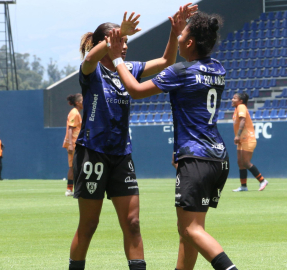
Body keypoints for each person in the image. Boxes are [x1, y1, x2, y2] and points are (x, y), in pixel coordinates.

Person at [106, 11, 239, 270]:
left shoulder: (181, 71)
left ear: (189, 43)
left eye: (183, 35)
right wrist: (175, 32)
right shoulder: (218, 68)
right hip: (218, 157)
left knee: (190, 229)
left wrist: (116, 60)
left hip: (196, 158)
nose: (180, 37)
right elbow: (184, 58)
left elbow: (135, 90)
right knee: (189, 229)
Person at [68, 5, 196, 270]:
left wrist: (174, 34)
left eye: (126, 41)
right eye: (119, 41)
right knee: (89, 225)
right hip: (92, 152)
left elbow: (165, 62)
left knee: (133, 223)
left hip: (122, 155)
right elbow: (90, 58)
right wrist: (110, 40)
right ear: (105, 42)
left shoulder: (129, 68)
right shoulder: (92, 72)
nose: (124, 46)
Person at [231, 92, 268, 192]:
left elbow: (242, 120)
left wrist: (238, 135)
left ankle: (262, 180)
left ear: (240, 101)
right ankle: (243, 186)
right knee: (240, 163)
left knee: (246, 163)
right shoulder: (236, 109)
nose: (232, 99)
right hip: (241, 140)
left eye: (234, 98)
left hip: (247, 138)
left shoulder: (241, 106)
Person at [63, 93, 83, 196]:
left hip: (75, 143)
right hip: (74, 143)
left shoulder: (76, 113)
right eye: (82, 100)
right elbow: (70, 128)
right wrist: (71, 144)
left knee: (74, 167)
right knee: (76, 166)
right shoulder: (74, 113)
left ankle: (70, 189)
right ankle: (73, 189)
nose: (84, 101)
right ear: (77, 102)